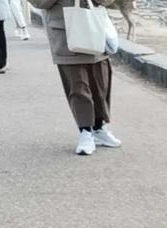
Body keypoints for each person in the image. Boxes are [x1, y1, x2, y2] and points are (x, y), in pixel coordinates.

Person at [30, 0, 120, 155]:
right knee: (77, 86)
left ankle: (99, 127)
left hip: (95, 28)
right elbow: (39, 3)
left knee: (101, 84)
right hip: (66, 33)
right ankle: (85, 131)